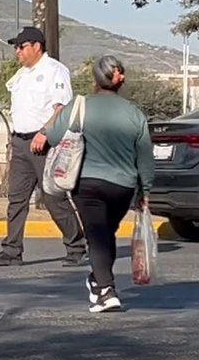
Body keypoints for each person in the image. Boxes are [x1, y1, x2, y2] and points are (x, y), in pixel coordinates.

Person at [41, 55, 154, 313]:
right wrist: (145, 189)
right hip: (123, 187)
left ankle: (106, 290)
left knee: (97, 236)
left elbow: (55, 136)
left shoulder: (80, 106)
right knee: (105, 234)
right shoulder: (134, 113)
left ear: (95, 78)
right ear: (118, 80)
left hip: (88, 183)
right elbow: (145, 157)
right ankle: (98, 281)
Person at [0, 26, 87, 268]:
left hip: (44, 142)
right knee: (16, 198)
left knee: (53, 197)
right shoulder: (22, 75)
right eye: (15, 47)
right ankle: (12, 250)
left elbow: (60, 108)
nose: (16, 51)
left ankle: (76, 246)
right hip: (21, 142)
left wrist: (44, 132)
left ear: (36, 46)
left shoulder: (54, 71)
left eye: (21, 46)